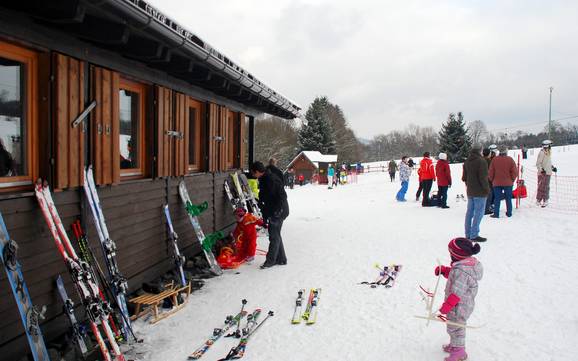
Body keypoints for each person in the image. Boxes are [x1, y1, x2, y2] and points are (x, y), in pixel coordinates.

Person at [434, 238, 483, 361]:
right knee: (453, 326)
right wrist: (445, 271)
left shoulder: (461, 271)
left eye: (450, 253)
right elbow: (456, 277)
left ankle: (460, 352)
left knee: (456, 327)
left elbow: (457, 292)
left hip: (459, 306)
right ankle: (455, 345)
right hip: (460, 304)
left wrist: (447, 306)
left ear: (455, 255)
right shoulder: (466, 265)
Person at [250, 161, 289, 269]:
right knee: (276, 234)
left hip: (279, 210)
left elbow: (282, 196)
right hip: (274, 209)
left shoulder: (271, 179)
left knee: (274, 235)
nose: (253, 176)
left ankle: (271, 260)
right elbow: (265, 197)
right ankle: (281, 259)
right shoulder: (264, 178)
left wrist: (277, 211)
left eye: (253, 174)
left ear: (258, 172)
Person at [462, 145, 490, 242]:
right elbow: (483, 178)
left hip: (470, 191)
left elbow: (464, 177)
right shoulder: (481, 161)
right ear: (480, 151)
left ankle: (468, 233)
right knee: (479, 213)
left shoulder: (467, 161)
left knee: (469, 212)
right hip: (480, 191)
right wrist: (487, 189)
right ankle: (474, 234)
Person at [489, 145, 518, 218]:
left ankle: (496, 213)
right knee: (508, 198)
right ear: (506, 151)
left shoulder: (494, 160)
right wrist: (512, 179)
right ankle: (509, 213)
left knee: (497, 198)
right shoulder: (510, 159)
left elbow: (491, 172)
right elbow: (515, 172)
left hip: (496, 182)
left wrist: (492, 180)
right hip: (508, 183)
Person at [535, 140, 557, 207]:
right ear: (547, 145)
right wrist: (541, 170)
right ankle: (538, 200)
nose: (551, 147)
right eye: (550, 145)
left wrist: (552, 167)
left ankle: (545, 199)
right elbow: (538, 163)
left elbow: (548, 162)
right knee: (541, 186)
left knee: (546, 187)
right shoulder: (542, 153)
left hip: (548, 172)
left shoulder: (548, 152)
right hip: (542, 173)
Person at [482, 148, 494, 215]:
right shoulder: (489, 161)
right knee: (489, 195)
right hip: (488, 180)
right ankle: (486, 209)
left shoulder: (480, 160)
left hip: (481, 180)